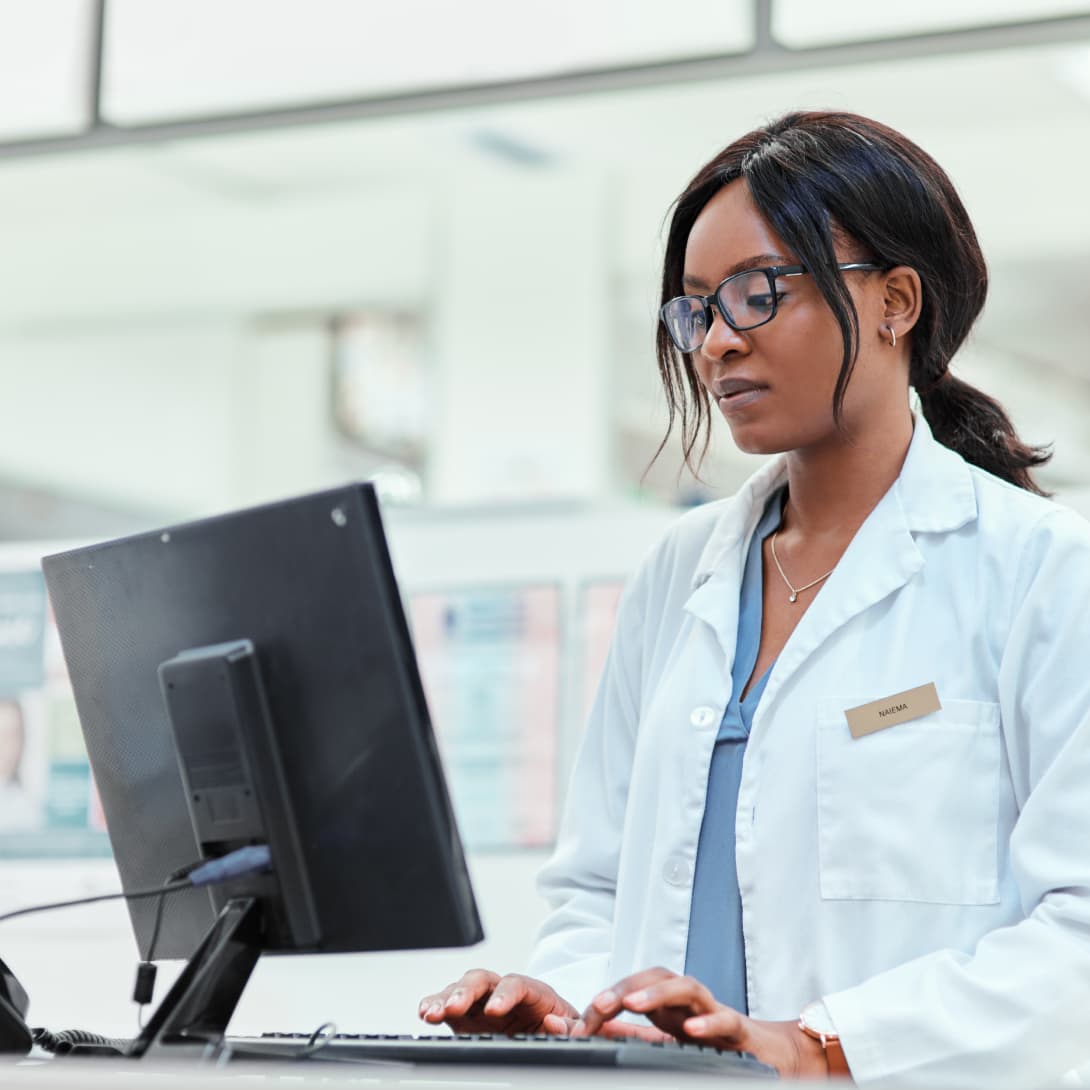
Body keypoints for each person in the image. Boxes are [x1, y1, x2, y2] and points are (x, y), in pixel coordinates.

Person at [418, 111, 1090, 1085]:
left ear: (896, 300)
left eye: (757, 294)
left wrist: (817, 1044)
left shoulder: (1043, 568)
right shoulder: (679, 573)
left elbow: (1078, 933)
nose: (715, 344)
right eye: (696, 309)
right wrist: (568, 1011)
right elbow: (597, 887)